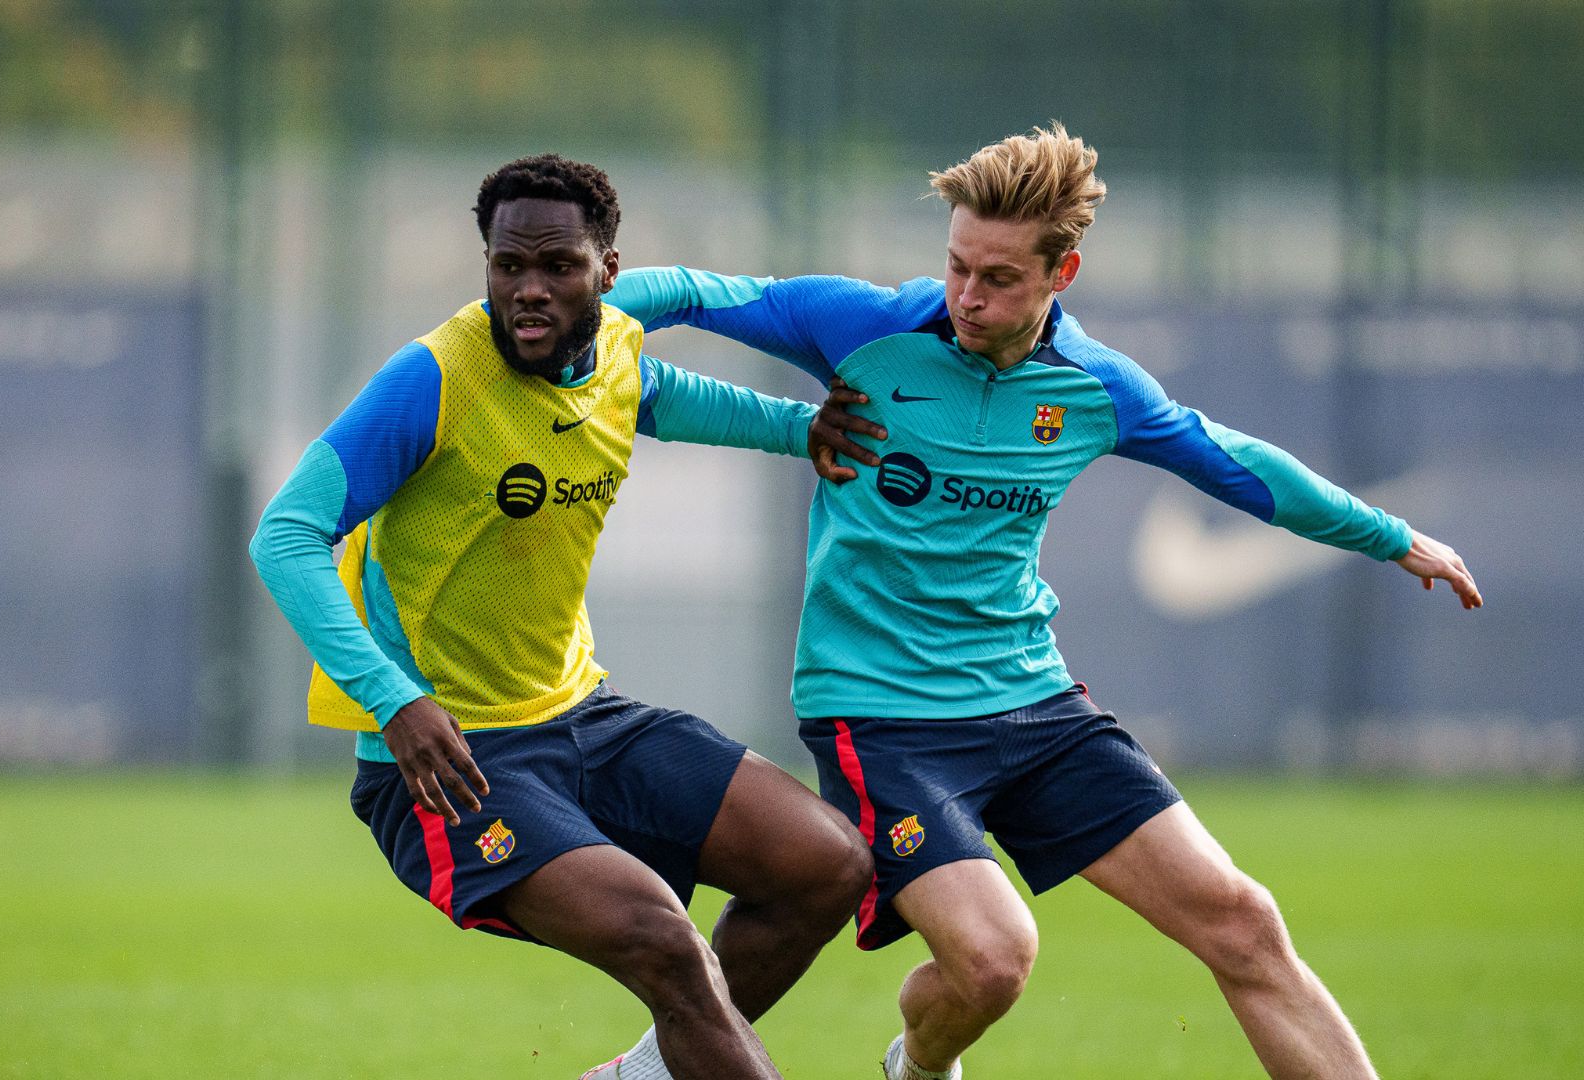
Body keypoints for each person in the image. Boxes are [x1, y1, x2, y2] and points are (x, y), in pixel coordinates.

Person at [606, 123, 1481, 1080]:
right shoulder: (870, 328)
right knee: (992, 959)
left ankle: (915, 1066)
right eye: (956, 267)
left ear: (1062, 273)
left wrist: (1394, 537)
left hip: (1034, 703)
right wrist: (583, 312)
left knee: (1244, 922)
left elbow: (1239, 467)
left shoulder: (1097, 388)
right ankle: (903, 1067)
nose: (967, 299)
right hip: (883, 716)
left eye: (999, 278)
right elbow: (693, 292)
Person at [248, 154, 871, 1080]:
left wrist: (798, 427)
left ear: (607, 271)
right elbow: (285, 535)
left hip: (582, 717)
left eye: (559, 267)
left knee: (827, 865)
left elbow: (653, 396)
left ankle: (637, 1078)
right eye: (508, 267)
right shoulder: (433, 380)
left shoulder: (617, 345)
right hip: (450, 760)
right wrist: (392, 700)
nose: (529, 291)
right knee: (667, 946)